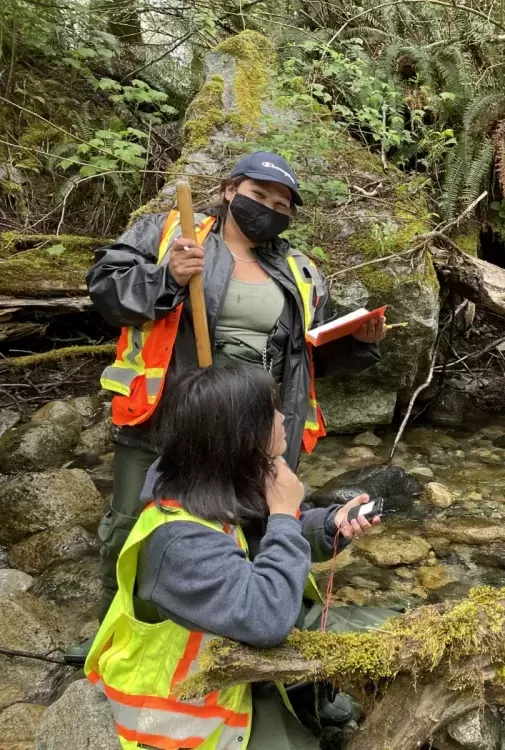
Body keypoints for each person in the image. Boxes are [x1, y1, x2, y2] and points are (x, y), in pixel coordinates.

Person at [70, 152, 386, 663]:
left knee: (257, 521)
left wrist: (360, 342)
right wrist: (167, 277)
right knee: (133, 523)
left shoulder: (300, 269)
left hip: (256, 423)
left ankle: (247, 629)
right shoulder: (171, 231)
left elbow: (310, 356)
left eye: (281, 204)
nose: (268, 208)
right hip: (168, 414)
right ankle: (116, 633)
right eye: (259, 196)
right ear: (230, 188)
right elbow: (106, 292)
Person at [85, 363, 396, 750]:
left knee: (397, 628)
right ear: (241, 436)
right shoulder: (178, 540)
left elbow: (265, 534)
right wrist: (283, 513)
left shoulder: (210, 483)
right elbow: (267, 619)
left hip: (235, 658)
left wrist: (330, 524)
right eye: (272, 413)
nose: (284, 420)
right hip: (187, 711)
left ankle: (311, 700)